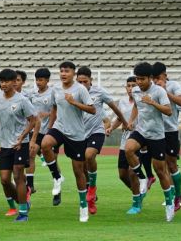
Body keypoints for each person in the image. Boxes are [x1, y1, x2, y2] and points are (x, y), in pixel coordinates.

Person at [41, 61, 96, 222]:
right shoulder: (55, 89)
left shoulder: (80, 89)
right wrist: (48, 129)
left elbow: (92, 109)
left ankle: (83, 206)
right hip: (59, 128)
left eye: (67, 71)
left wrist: (74, 103)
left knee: (78, 171)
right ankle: (57, 177)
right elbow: (54, 109)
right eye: (61, 71)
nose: (63, 74)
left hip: (76, 134)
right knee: (45, 144)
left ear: (73, 73)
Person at [124, 62, 175, 222]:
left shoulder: (159, 91)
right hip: (141, 130)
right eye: (137, 79)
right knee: (128, 150)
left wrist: (153, 102)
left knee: (160, 171)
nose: (139, 82)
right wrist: (131, 120)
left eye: (142, 79)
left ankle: (169, 203)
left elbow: (169, 111)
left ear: (150, 78)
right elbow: (136, 107)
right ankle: (142, 178)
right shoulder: (136, 90)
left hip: (156, 135)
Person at [76, 66, 127, 215]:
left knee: (89, 155)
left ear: (91, 80)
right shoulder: (73, 93)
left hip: (96, 132)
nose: (82, 84)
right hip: (78, 134)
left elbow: (114, 108)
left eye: (85, 81)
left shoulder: (99, 92)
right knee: (81, 167)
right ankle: (90, 198)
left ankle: (92, 188)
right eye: (79, 81)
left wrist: (123, 121)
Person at [0, 69, 37, 221]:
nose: (4, 84)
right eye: (2, 81)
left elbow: (33, 120)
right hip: (5, 144)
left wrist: (23, 136)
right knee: (4, 180)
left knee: (18, 175)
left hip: (19, 144)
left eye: (7, 81)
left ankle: (23, 213)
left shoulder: (22, 100)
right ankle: (22, 200)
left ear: (14, 82)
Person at [151, 62, 181, 211]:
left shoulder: (173, 85)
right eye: (153, 78)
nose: (155, 81)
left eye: (157, 77)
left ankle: (178, 195)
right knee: (161, 165)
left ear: (164, 75)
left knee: (171, 164)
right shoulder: (151, 89)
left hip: (170, 130)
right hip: (155, 131)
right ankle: (171, 194)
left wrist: (166, 92)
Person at [108, 76, 144, 214]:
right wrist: (111, 128)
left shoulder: (142, 101)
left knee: (132, 172)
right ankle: (138, 192)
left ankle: (136, 203)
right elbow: (119, 118)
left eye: (133, 85)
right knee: (122, 175)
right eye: (128, 85)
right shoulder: (122, 102)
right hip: (124, 141)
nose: (131, 88)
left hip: (138, 141)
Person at [26, 68, 57, 196]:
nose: (38, 82)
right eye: (37, 80)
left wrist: (48, 114)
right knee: (31, 154)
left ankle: (57, 179)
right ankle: (30, 185)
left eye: (41, 80)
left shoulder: (53, 93)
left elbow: (58, 110)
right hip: (35, 130)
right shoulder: (32, 94)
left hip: (49, 130)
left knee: (52, 160)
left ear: (47, 80)